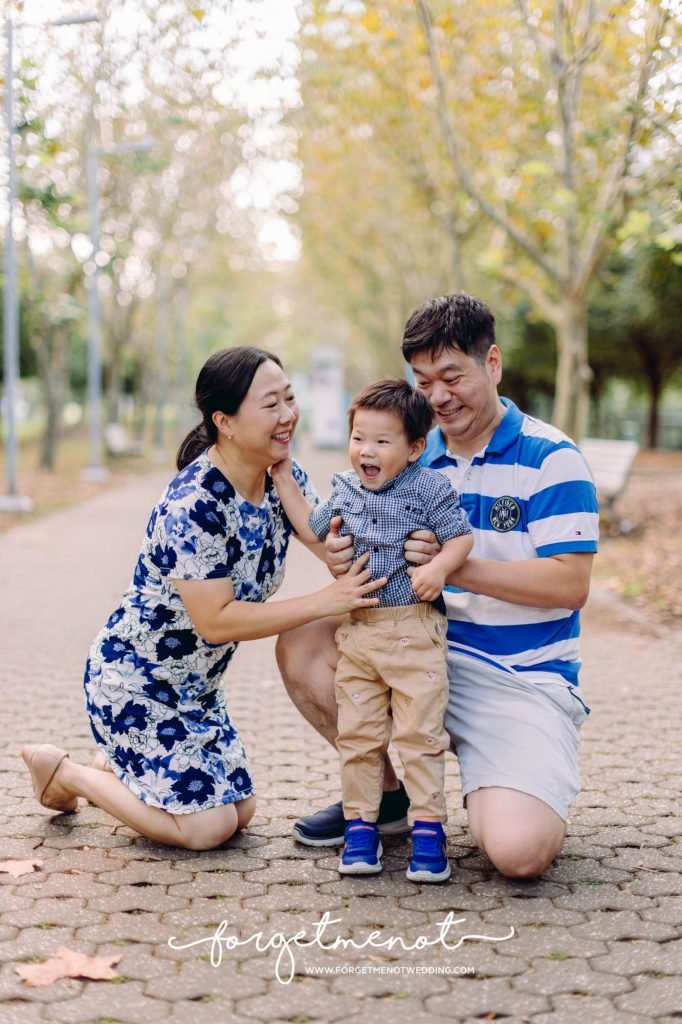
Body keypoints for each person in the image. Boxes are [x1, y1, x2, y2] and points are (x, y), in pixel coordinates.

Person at [276, 294, 599, 878]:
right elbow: (339, 533)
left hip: (518, 683)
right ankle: (390, 800)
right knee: (303, 642)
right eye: (424, 382)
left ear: (492, 364)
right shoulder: (410, 460)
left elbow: (570, 584)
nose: (438, 396)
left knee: (518, 854)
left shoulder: (552, 458)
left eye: (452, 376)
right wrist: (341, 555)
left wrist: (454, 565)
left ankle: (499, 777)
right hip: (419, 652)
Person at [21, 347, 385, 851]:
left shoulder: (283, 477)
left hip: (196, 693)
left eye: (290, 399)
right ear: (225, 422)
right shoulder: (194, 504)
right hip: (135, 685)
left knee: (242, 811)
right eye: (270, 404)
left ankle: (119, 765)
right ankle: (70, 774)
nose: (288, 416)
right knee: (206, 827)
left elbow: (336, 555)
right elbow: (216, 622)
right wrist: (325, 601)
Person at [271, 379, 472, 882]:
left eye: (383, 441)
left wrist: (439, 568)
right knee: (357, 737)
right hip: (359, 633)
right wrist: (282, 478)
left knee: (418, 737)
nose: (367, 450)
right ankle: (362, 830)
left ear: (414, 448)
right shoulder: (343, 489)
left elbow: (461, 539)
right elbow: (310, 526)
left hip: (415, 634)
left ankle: (429, 833)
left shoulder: (428, 488)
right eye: (359, 437)